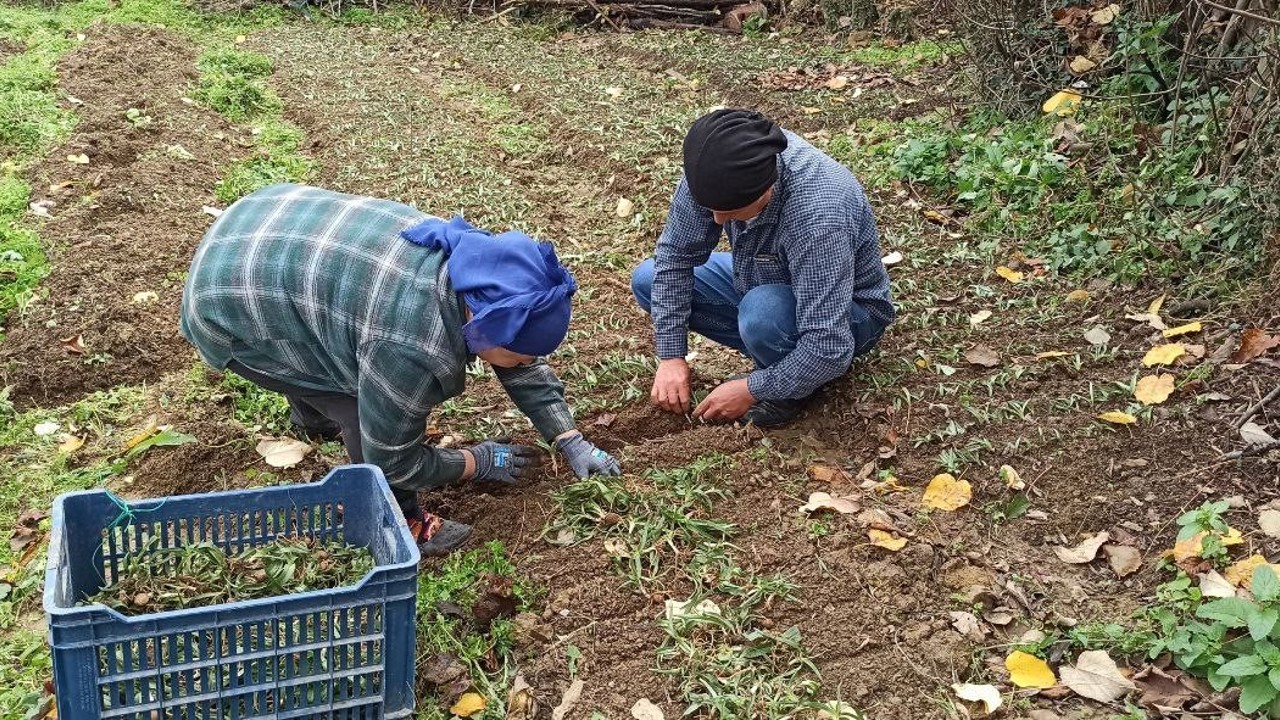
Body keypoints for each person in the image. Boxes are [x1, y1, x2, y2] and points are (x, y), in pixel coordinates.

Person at [181, 183, 620, 556]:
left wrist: (569, 437)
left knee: (336, 349)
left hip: (265, 217)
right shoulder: (411, 345)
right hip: (226, 299)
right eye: (523, 356)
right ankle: (402, 520)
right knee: (357, 409)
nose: (527, 365)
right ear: (486, 331)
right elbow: (394, 460)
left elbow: (520, 363)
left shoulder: (478, 269)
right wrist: (476, 461)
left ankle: (311, 415)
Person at [631, 109, 895, 428]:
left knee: (763, 313)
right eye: (711, 209)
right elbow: (674, 257)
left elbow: (829, 346)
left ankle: (789, 390)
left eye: (730, 211)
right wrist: (671, 356)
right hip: (764, 276)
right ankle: (781, 358)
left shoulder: (818, 218)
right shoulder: (715, 165)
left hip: (847, 317)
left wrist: (752, 389)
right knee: (649, 278)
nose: (717, 221)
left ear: (767, 189)